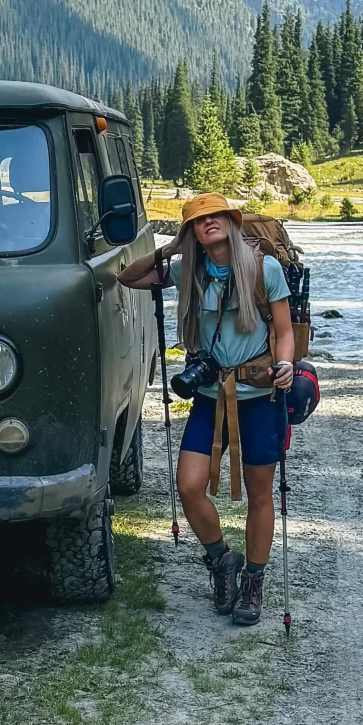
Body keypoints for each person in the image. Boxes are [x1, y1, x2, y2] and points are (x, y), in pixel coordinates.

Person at [119, 193, 294, 625]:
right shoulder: (187, 270)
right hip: (209, 398)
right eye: (198, 220)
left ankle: (254, 582)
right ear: (191, 231)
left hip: (258, 397)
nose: (208, 223)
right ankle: (221, 560)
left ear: (231, 223)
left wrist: (286, 363)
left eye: (216, 216)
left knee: (259, 493)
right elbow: (128, 277)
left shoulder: (263, 269)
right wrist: (170, 248)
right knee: (189, 486)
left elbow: (285, 331)